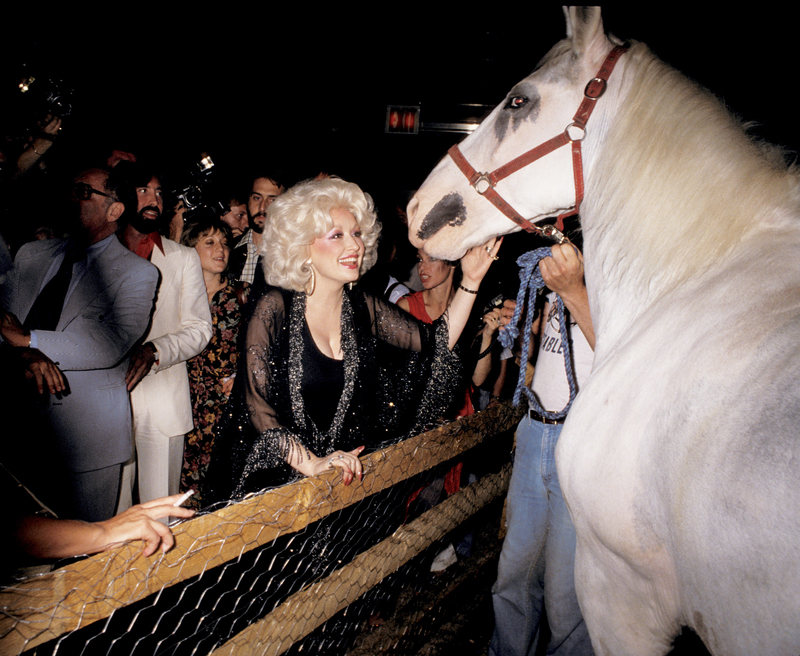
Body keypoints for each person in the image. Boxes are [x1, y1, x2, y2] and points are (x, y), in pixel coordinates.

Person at [208, 177, 502, 500]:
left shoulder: (363, 306)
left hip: (340, 482)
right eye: (337, 235)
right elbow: (257, 405)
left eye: (357, 233)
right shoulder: (274, 307)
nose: (355, 246)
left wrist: (471, 280)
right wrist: (313, 464)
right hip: (275, 489)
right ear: (302, 246)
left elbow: (434, 342)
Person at [0, 166, 159, 521]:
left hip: (86, 445)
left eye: (84, 192)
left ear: (115, 210)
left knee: (82, 561)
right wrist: (24, 350)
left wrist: (28, 338)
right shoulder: (31, 255)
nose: (72, 197)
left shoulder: (139, 273)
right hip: (16, 428)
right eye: (71, 189)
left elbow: (109, 344)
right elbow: (3, 320)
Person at [490, 241, 596, 656]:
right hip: (536, 430)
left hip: (581, 441)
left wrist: (574, 291)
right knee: (513, 576)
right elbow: (548, 360)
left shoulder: (611, 280)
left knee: (565, 595)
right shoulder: (554, 283)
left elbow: (622, 352)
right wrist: (520, 333)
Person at [117, 162, 213, 509]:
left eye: (159, 192)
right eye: (144, 190)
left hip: (163, 402)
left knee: (162, 515)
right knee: (111, 514)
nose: (153, 200)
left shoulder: (182, 258)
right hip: (108, 404)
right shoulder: (97, 255)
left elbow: (200, 328)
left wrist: (155, 351)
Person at [179, 215, 244, 508]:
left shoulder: (241, 294)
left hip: (227, 406)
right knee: (186, 490)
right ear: (190, 249)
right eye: (210, 242)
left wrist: (242, 378)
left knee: (227, 488)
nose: (221, 249)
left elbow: (263, 348)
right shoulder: (178, 297)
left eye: (225, 243)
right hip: (186, 403)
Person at [229, 173, 285, 284]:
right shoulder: (228, 249)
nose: (262, 207)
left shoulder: (293, 252)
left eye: (272, 200)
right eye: (257, 198)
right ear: (248, 201)